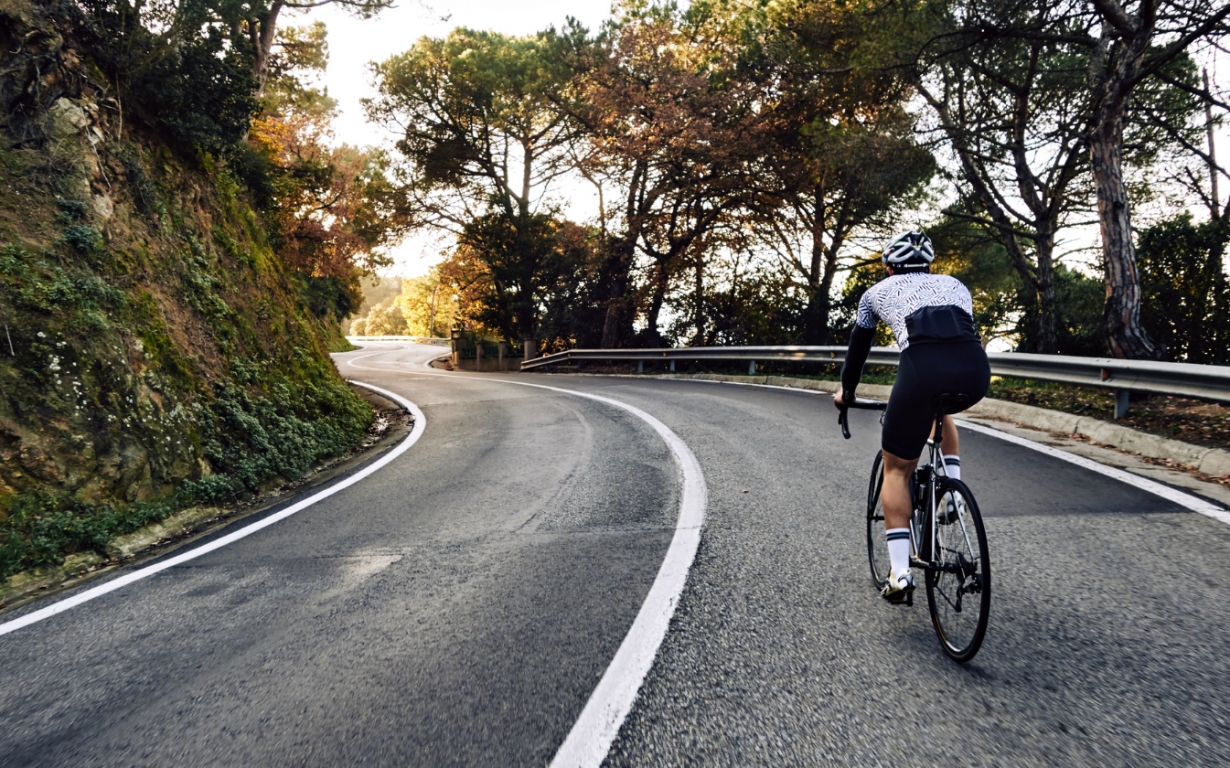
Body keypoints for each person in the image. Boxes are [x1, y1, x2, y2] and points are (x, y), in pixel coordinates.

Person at [834, 231, 991, 603]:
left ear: (889, 267)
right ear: (929, 265)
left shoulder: (874, 294)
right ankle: (952, 492)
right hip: (975, 372)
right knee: (942, 408)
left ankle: (900, 572)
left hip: (921, 370)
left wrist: (847, 394)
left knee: (897, 470)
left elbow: (857, 352)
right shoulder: (956, 285)